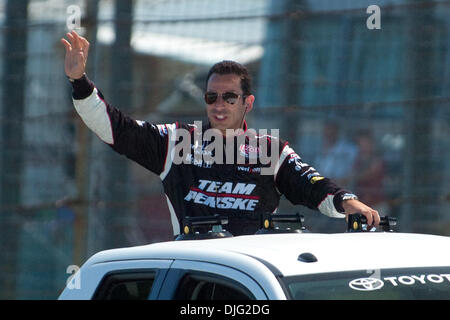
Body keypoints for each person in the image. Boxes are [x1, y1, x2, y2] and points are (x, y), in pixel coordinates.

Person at [61, 30, 380, 237]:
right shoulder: (178, 141)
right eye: (211, 97)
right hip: (193, 272)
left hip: (252, 275)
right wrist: (80, 82)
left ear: (247, 103)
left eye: (230, 97)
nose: (219, 104)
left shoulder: (270, 150)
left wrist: (348, 202)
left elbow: (313, 186)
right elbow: (115, 128)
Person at [314, 121, 358, 188]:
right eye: (326, 131)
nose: (328, 134)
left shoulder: (349, 148)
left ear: (337, 131)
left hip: (343, 188)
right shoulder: (320, 149)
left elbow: (354, 171)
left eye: (331, 131)